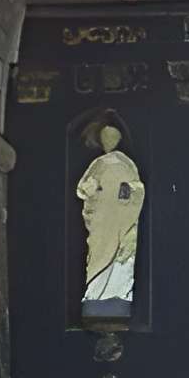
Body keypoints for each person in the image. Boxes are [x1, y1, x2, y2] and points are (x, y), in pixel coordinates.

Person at [75, 121, 142, 313]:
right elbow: (82, 189)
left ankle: (117, 298)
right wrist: (92, 189)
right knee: (98, 258)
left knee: (120, 263)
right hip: (101, 221)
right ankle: (96, 298)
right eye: (105, 137)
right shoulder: (98, 164)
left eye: (112, 137)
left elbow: (138, 189)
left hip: (121, 220)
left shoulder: (126, 163)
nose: (108, 141)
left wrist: (127, 189)